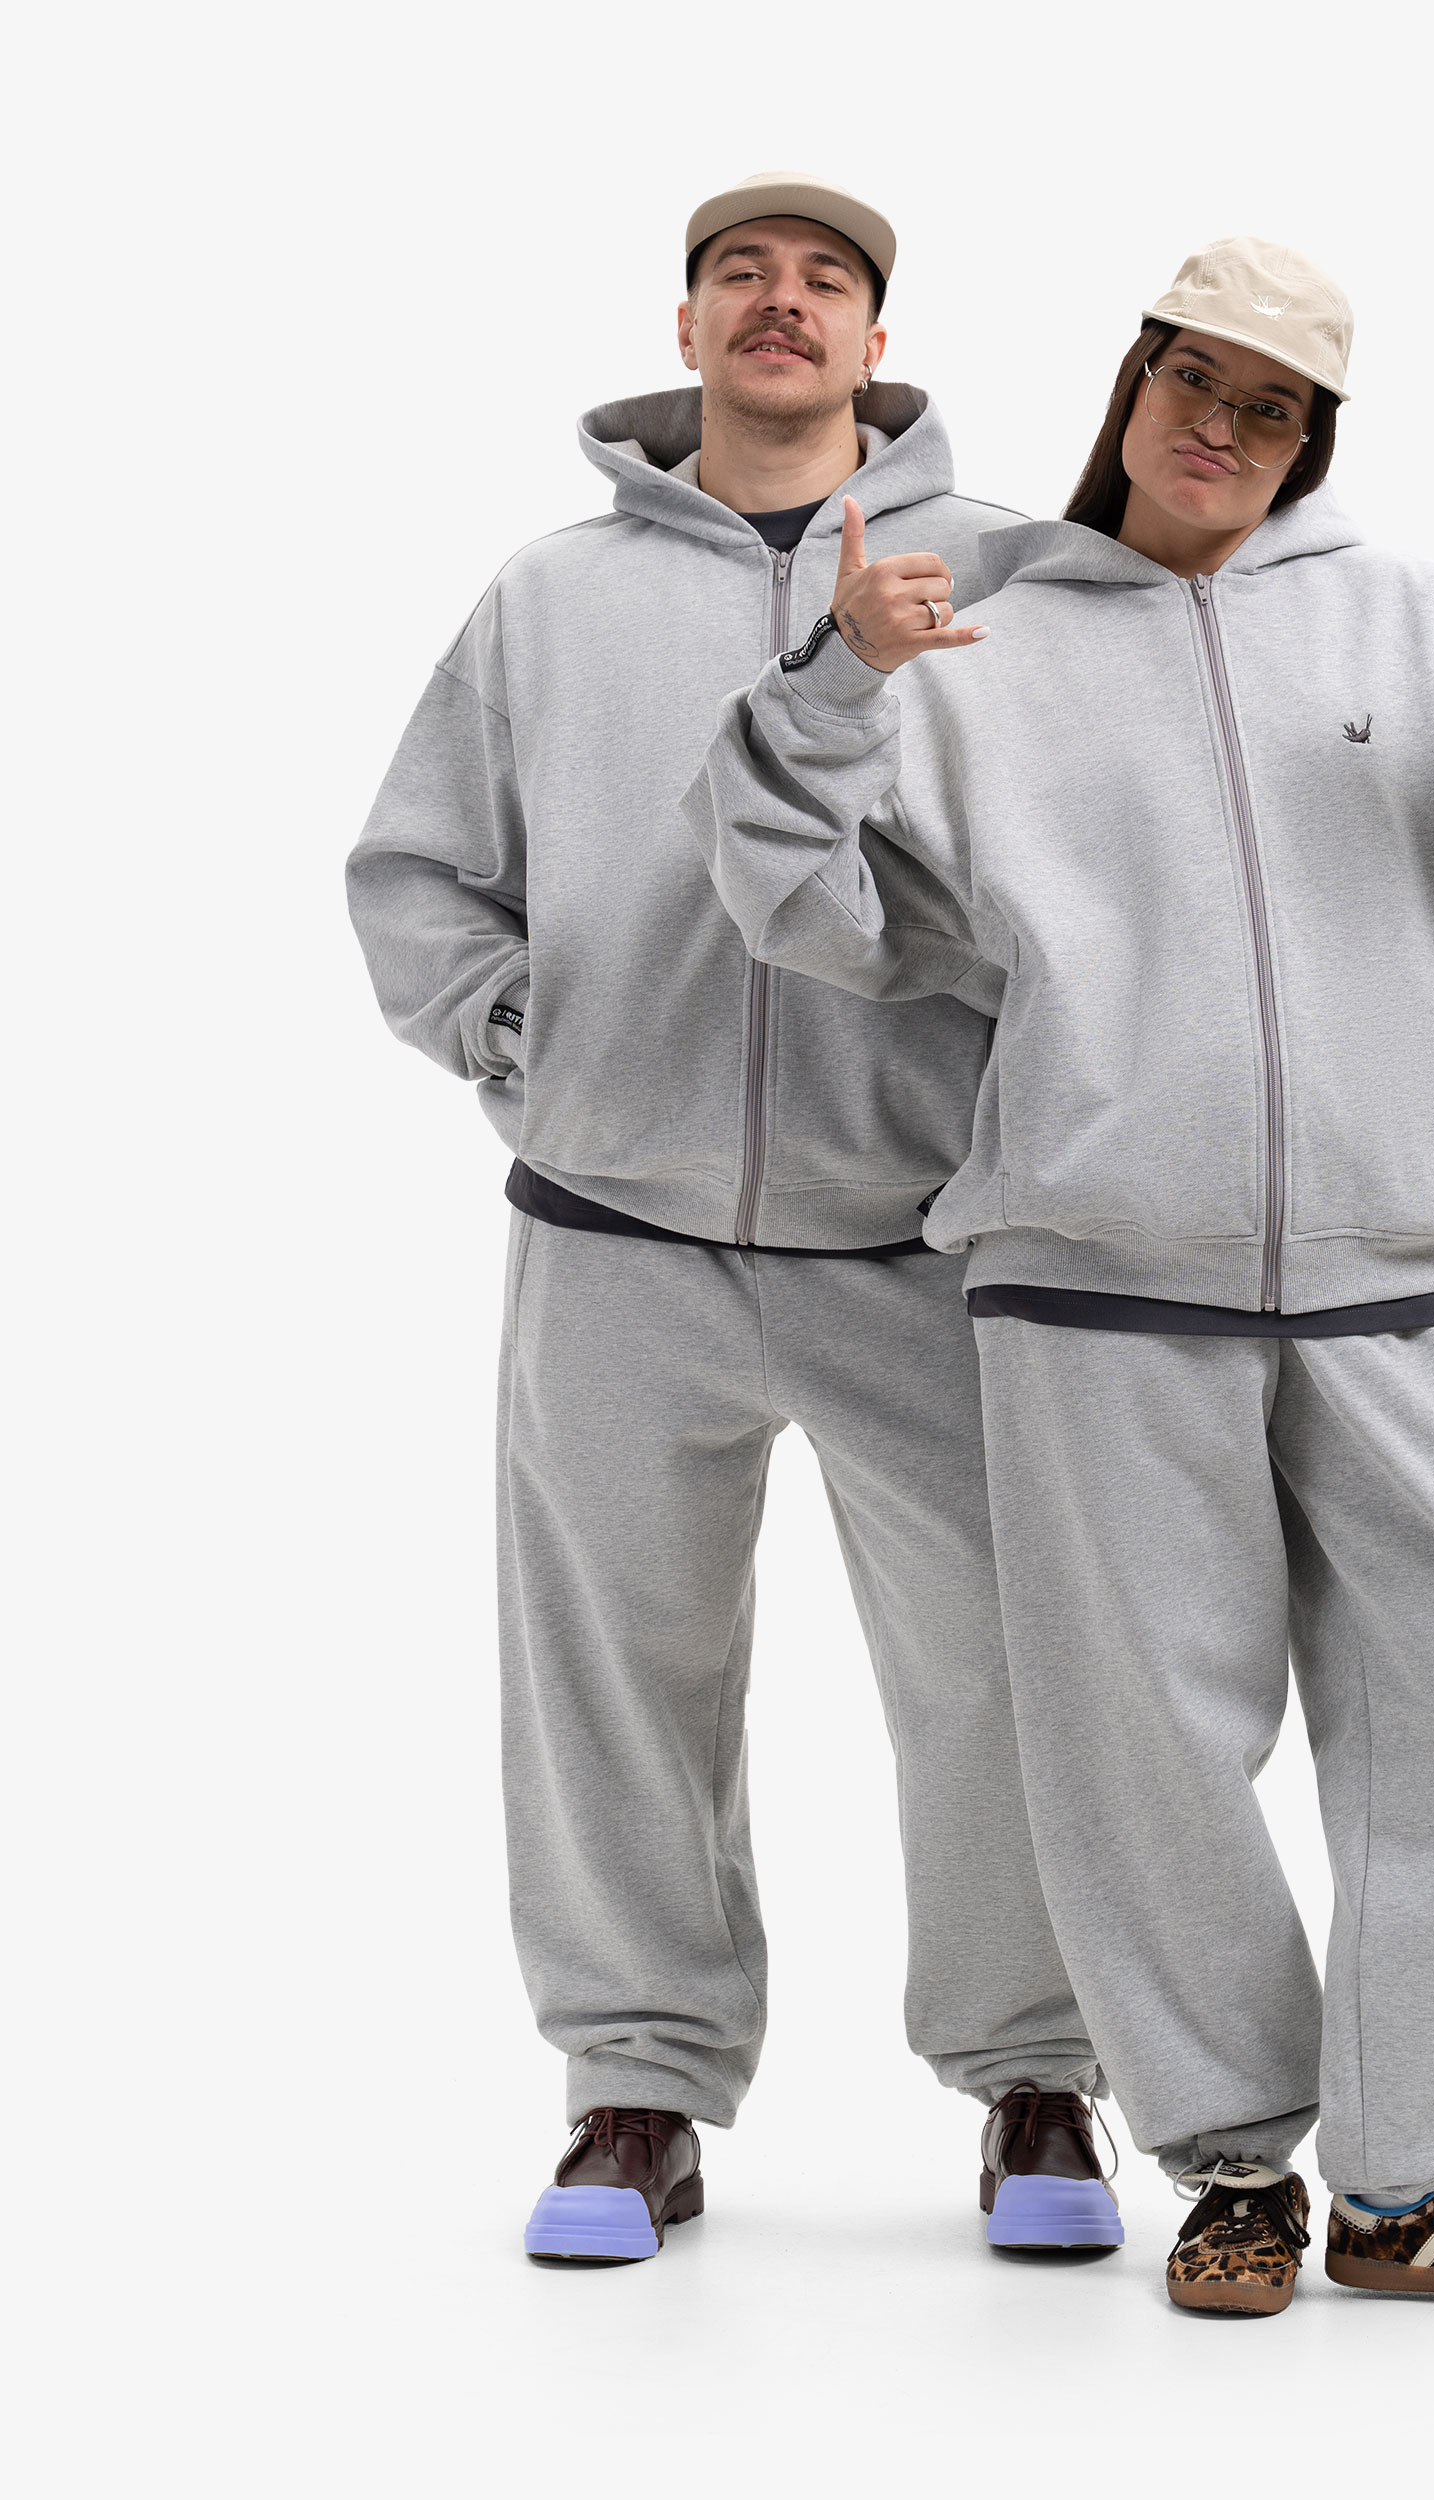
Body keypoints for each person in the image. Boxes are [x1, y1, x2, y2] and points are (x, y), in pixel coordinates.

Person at [686, 235, 1434, 2316]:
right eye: (1194, 380)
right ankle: (1236, 2162)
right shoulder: (975, 628)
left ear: (1309, 439)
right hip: (1090, 1272)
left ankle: (1426, 2171)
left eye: (1271, 408)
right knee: (1144, 1743)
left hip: (1396, 1262)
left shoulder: (1422, 621)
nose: (1222, 429)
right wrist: (839, 681)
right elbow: (797, 899)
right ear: (1134, 384)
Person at [347, 171, 1119, 2266]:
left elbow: (1102, 869)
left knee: (1000, 1671)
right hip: (613, 1229)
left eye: (826, 280)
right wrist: (529, 1044)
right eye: (741, 276)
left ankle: (1038, 2069)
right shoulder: (549, 595)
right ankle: (636, 2090)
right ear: (683, 331)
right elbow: (417, 870)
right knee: (615, 1674)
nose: (783, 302)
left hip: (925, 1243)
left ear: (878, 343)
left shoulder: (1011, 577)